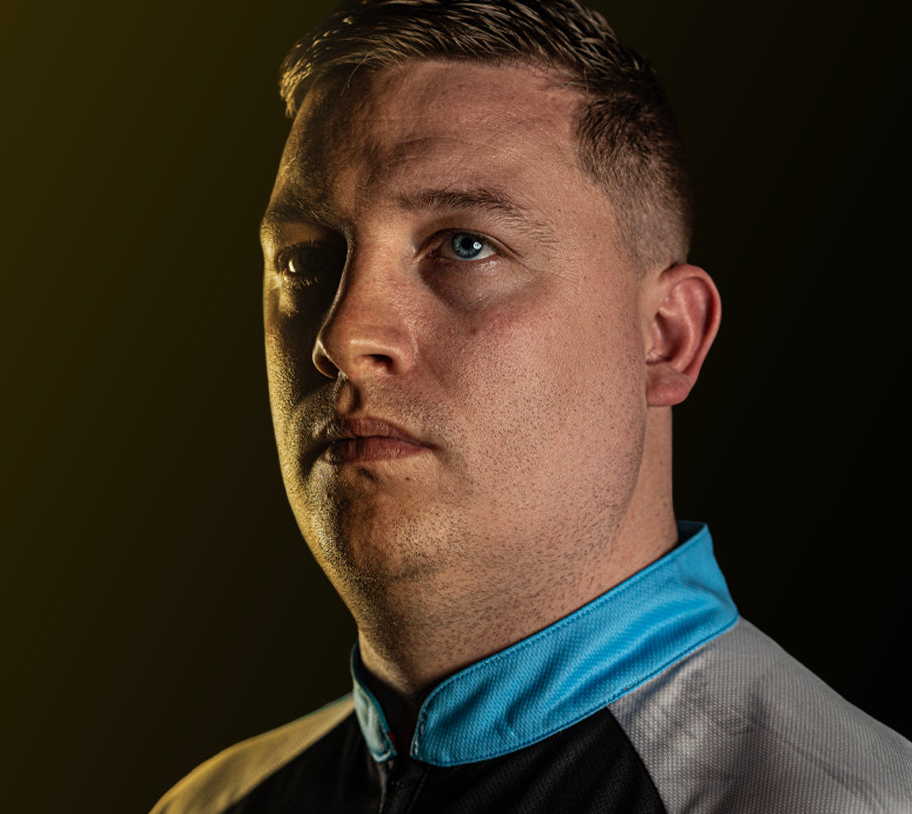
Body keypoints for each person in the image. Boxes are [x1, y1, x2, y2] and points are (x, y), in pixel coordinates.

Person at [151, 0, 911, 811]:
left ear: (665, 337)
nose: (342, 333)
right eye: (305, 262)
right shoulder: (212, 803)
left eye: (465, 244)